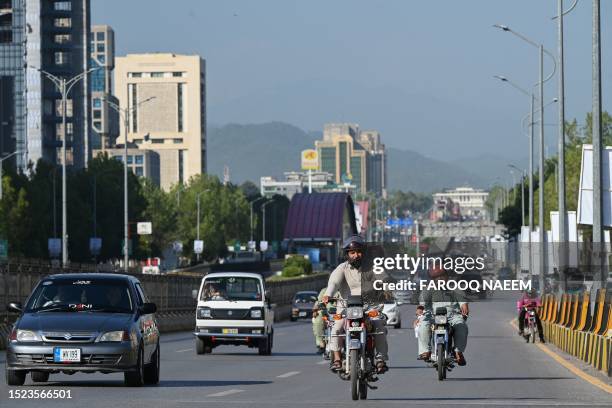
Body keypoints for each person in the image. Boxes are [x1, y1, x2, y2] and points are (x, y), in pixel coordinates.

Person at [322, 235, 389, 374]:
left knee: (379, 326)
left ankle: (380, 360)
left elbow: (384, 279)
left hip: (369, 307)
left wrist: (388, 289)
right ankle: (336, 359)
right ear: (347, 254)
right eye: (352, 252)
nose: (356, 255)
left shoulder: (372, 266)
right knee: (337, 327)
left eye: (359, 251)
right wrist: (328, 294)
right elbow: (333, 283)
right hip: (346, 307)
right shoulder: (342, 268)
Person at [417, 266, 469, 366]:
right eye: (436, 277)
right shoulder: (428, 289)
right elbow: (422, 304)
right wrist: (419, 310)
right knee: (423, 325)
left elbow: (462, 301)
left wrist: (464, 306)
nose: (440, 279)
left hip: (452, 315)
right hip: (433, 315)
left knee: (462, 326)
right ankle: (425, 351)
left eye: (442, 276)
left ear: (447, 276)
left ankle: (458, 352)